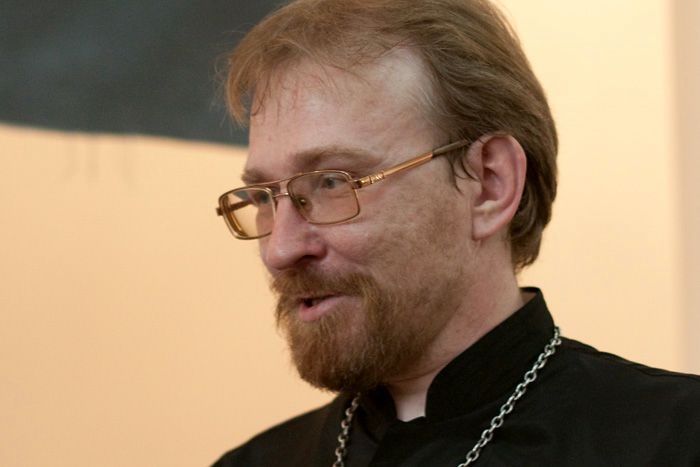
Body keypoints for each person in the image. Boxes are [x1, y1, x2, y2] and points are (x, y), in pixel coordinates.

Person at [212, 0, 700, 465]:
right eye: (263, 197)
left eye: (332, 183)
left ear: (489, 185)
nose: (279, 250)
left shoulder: (677, 442)